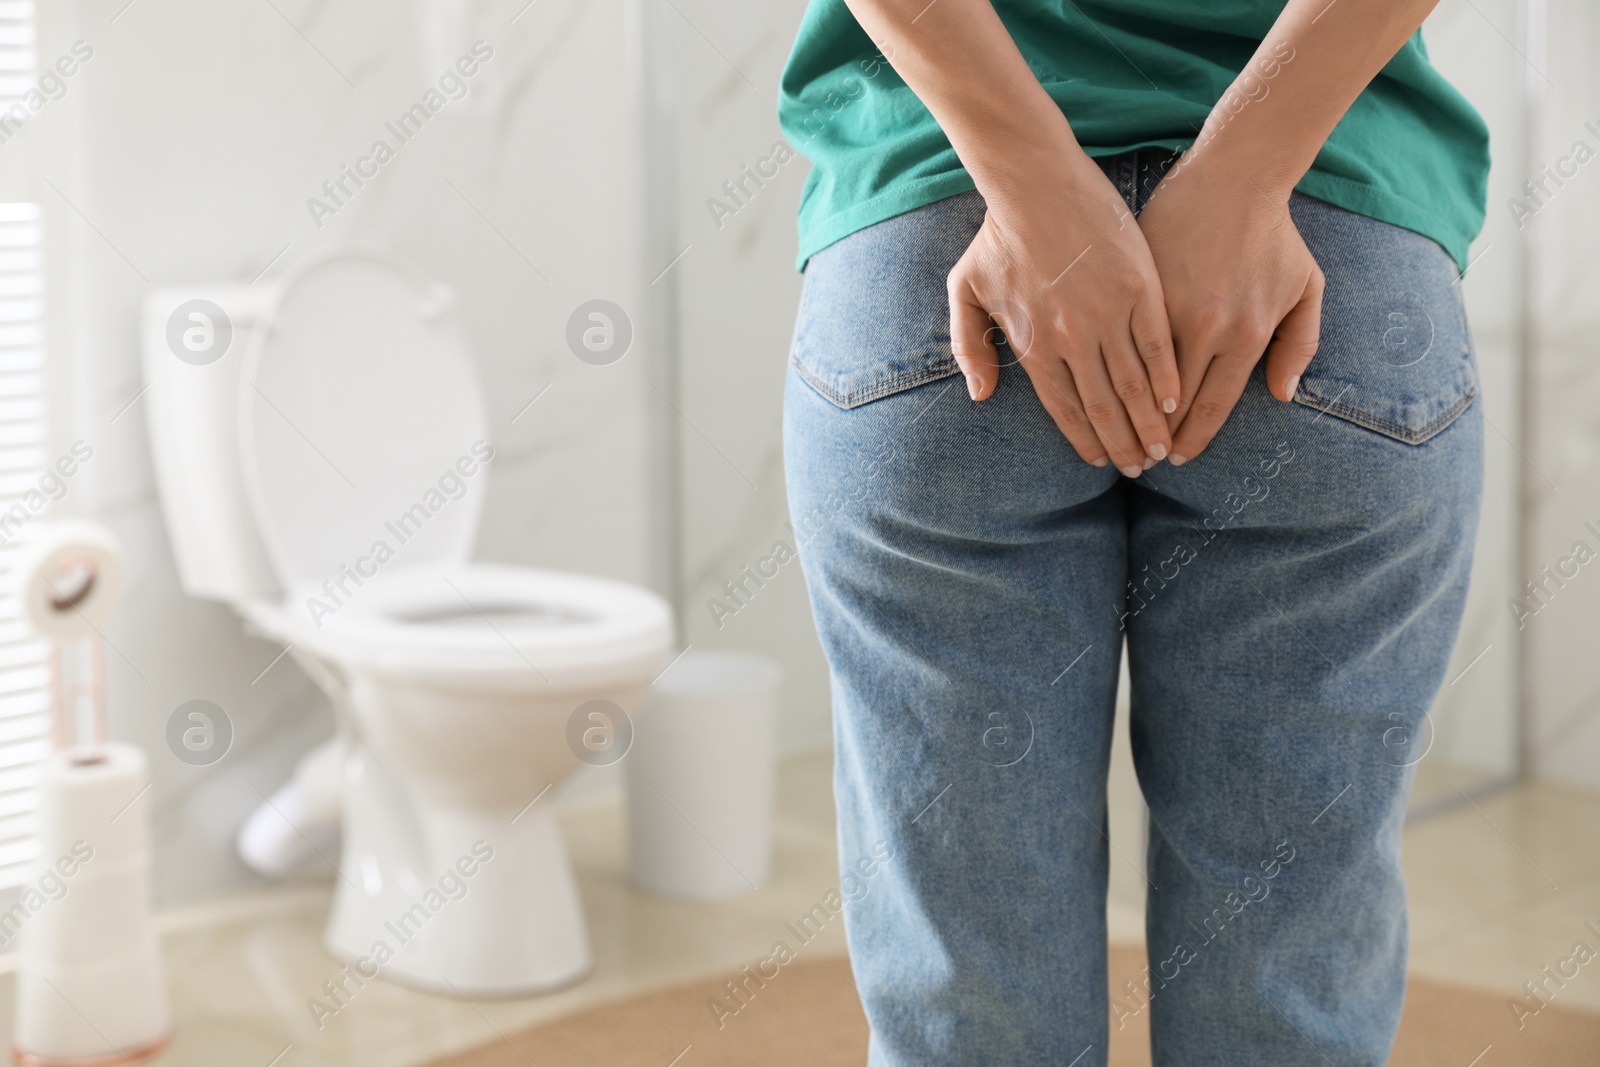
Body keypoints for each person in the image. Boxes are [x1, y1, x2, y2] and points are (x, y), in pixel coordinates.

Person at [777, 1, 1488, 1063]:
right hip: (1328, 275)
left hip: (941, 271)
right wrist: (1246, 173)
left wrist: (1035, 189)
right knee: (1284, 1014)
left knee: (971, 1019)